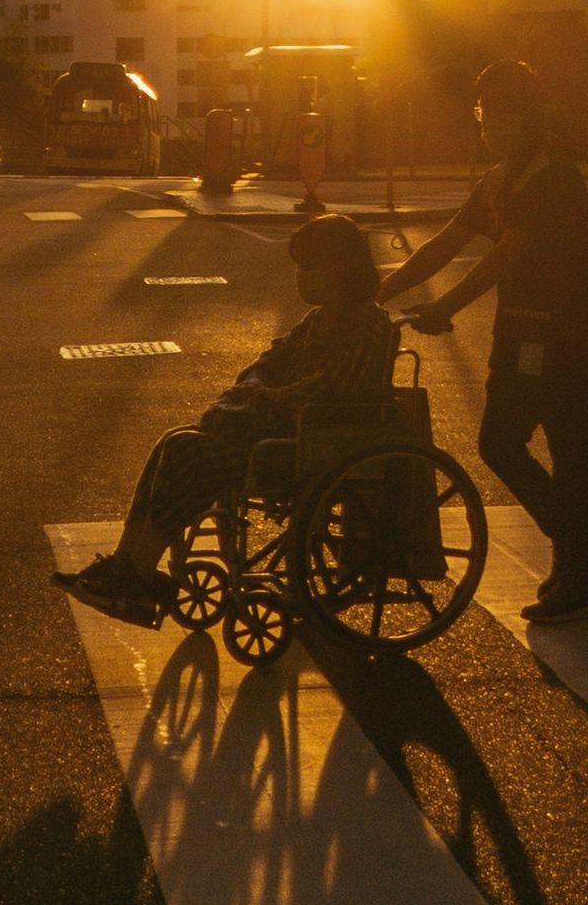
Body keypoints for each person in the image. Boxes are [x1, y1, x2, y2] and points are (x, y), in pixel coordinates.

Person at [53, 214, 397, 626]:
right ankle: (128, 563)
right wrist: (255, 382)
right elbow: (271, 358)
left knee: (188, 451)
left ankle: (138, 572)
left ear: (338, 267)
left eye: (309, 266)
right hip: (274, 429)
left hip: (308, 439)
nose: (300, 276)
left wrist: (269, 396)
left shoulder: (368, 324)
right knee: (173, 439)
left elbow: (333, 389)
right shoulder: (318, 320)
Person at [378, 61, 588, 623]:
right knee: (499, 443)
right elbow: (447, 241)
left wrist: (444, 307)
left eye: (507, 115)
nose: (494, 126)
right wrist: (380, 289)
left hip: (571, 340)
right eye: (487, 114)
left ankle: (580, 578)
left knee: (574, 456)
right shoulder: (500, 179)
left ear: (532, 118)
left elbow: (506, 253)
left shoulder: (553, 175)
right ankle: (579, 545)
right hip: (521, 334)